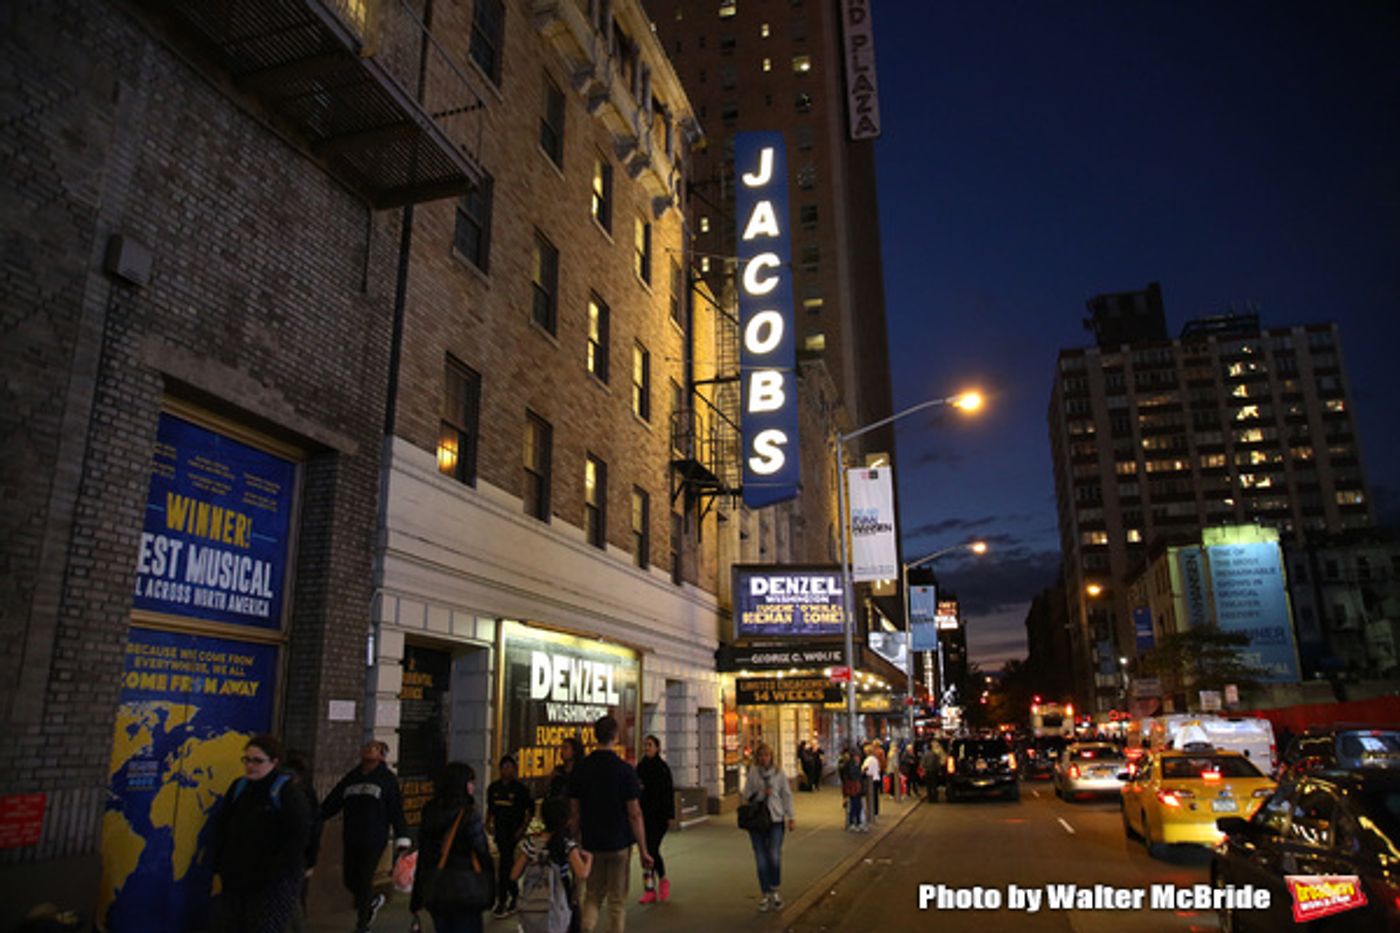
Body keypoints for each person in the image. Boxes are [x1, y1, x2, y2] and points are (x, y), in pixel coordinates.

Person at [209, 734, 312, 933]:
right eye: (247, 759)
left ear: (274, 762)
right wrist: (219, 865)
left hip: (272, 880)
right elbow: (223, 826)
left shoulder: (287, 793)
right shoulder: (239, 787)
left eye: (257, 761)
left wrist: (279, 870)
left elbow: (298, 836)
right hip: (237, 876)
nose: (250, 765)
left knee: (265, 925)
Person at [568, 715, 653, 933]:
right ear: (615, 736)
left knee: (593, 896)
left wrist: (573, 843)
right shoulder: (625, 770)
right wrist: (644, 850)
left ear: (595, 736)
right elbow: (634, 813)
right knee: (617, 902)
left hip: (591, 843)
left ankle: (586, 929)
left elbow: (574, 812)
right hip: (619, 843)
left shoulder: (581, 769)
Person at [320, 740, 412, 933]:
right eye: (366, 747)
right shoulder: (352, 778)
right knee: (350, 879)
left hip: (374, 837)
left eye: (375, 748)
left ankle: (362, 924)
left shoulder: (387, 779)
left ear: (381, 755)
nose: (369, 750)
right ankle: (371, 901)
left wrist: (402, 837)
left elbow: (395, 809)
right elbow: (334, 801)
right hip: (352, 835)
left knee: (364, 878)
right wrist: (316, 816)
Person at [411, 762, 493, 933]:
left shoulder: (430, 811)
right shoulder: (469, 815)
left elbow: (424, 853)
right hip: (466, 888)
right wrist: (491, 887)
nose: (473, 786)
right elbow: (482, 851)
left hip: (436, 886)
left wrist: (417, 895)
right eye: (471, 782)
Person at [512, 796, 593, 933]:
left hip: (532, 905)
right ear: (567, 820)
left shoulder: (532, 843)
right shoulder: (566, 845)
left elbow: (514, 875)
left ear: (543, 819)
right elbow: (582, 873)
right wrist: (589, 858)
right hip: (558, 901)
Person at [742, 742, 795, 911]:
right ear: (757, 758)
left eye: (767, 755)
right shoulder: (753, 773)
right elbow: (746, 796)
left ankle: (774, 888)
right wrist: (760, 794)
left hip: (775, 818)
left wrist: (791, 816)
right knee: (760, 858)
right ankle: (765, 893)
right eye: (761, 755)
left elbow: (786, 795)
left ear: (772, 757)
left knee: (774, 855)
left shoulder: (779, 774)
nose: (764, 758)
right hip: (757, 821)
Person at [486, 754, 534, 918]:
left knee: (505, 864)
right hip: (500, 830)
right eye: (503, 767)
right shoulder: (494, 788)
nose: (506, 770)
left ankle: (503, 901)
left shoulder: (521, 790)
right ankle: (514, 893)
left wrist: (523, 829)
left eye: (509, 767)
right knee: (506, 864)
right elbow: (491, 809)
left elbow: (530, 811)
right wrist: (488, 823)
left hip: (514, 832)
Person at [281, 752, 322, 933]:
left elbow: (312, 829)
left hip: (291, 859)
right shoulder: (305, 793)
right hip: (295, 858)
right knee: (292, 900)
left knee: (289, 901)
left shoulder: (300, 796)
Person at [635, 734, 675, 904]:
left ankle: (663, 880)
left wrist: (670, 815)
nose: (647, 748)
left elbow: (668, 793)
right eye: (645, 745)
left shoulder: (663, 768)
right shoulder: (641, 767)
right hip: (643, 817)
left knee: (651, 849)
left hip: (659, 817)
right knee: (646, 854)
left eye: (650, 745)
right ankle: (649, 888)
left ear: (657, 748)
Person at [838, 746, 864, 831]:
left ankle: (858, 822)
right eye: (857, 756)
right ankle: (853, 823)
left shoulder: (854, 764)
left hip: (856, 787)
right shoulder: (851, 765)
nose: (858, 758)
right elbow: (852, 775)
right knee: (854, 805)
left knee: (858, 805)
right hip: (853, 787)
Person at [862, 743, 881, 824]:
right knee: (875, 796)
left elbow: (865, 768)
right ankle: (876, 812)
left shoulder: (868, 760)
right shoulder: (875, 759)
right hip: (876, 778)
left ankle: (871, 812)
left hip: (870, 780)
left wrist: (862, 770)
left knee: (870, 797)